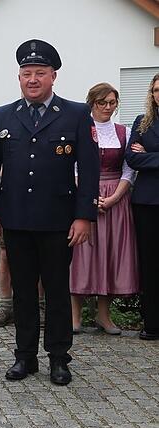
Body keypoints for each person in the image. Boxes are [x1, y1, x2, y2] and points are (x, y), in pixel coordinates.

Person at [0, 40, 98, 386]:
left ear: (53, 76)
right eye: (26, 73)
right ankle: (25, 357)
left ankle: (59, 358)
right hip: (15, 219)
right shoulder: (3, 115)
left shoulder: (76, 113)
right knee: (23, 291)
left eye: (40, 73)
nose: (32, 79)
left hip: (58, 221)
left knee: (58, 290)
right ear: (19, 77)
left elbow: (89, 171)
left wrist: (84, 216)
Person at [70, 83, 138, 334]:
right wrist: (88, 196)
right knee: (81, 255)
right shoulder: (81, 130)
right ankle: (74, 315)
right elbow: (72, 166)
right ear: (92, 104)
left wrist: (114, 198)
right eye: (103, 103)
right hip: (84, 195)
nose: (108, 107)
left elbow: (129, 169)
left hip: (115, 200)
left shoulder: (124, 132)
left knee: (110, 254)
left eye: (112, 103)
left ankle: (103, 315)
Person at [127, 72, 159, 341]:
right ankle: (152, 324)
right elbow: (132, 160)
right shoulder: (142, 122)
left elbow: (142, 159)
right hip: (147, 203)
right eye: (156, 90)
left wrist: (148, 155)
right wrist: (144, 158)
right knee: (149, 263)